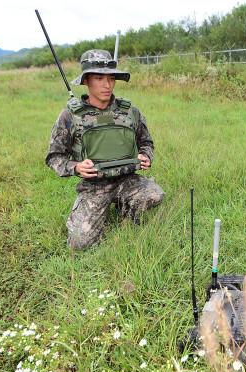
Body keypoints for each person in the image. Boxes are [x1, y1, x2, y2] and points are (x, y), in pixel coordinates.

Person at [46, 49, 164, 250]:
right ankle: (86, 214)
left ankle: (124, 207)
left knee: (154, 194)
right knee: (79, 244)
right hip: (95, 186)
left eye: (111, 78)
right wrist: (76, 167)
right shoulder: (70, 116)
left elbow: (146, 142)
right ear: (86, 81)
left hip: (127, 179)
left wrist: (145, 156)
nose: (107, 84)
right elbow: (54, 157)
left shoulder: (130, 112)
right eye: (99, 78)